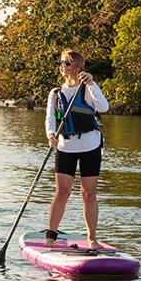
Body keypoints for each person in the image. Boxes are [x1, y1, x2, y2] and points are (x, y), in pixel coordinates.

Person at [44, 48, 109, 250]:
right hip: (66, 146)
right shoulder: (55, 93)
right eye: (61, 63)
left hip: (90, 145)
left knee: (88, 193)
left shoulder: (87, 87)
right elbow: (50, 119)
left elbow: (103, 107)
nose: (62, 66)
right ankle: (51, 237)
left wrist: (91, 84)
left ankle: (92, 238)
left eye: (66, 63)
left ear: (77, 67)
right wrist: (51, 135)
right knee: (61, 192)